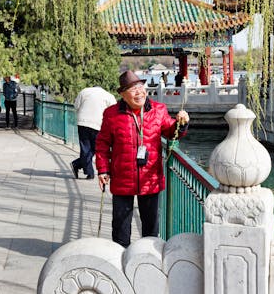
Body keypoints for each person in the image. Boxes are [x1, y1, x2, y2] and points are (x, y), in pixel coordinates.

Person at [95, 70, 190, 248]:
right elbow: (102, 143)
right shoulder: (112, 114)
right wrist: (103, 169)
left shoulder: (158, 109)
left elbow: (171, 132)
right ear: (123, 95)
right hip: (122, 177)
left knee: (150, 228)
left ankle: (148, 261)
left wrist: (181, 123)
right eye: (132, 89)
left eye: (140, 87)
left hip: (150, 178)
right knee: (120, 228)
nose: (139, 92)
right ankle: (120, 260)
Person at [70, 86, 116, 180]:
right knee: (96, 149)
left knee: (85, 148)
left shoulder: (84, 91)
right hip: (98, 124)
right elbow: (114, 111)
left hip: (82, 122)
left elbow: (76, 106)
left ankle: (82, 167)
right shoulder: (108, 96)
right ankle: (86, 170)